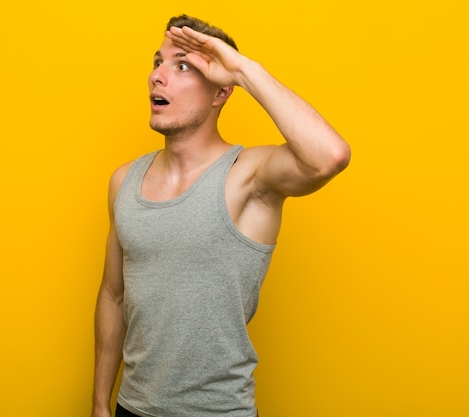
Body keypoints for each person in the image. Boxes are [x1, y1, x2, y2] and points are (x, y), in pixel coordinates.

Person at [91, 14, 350, 417]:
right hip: (130, 407)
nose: (158, 76)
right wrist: (100, 405)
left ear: (220, 93)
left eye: (182, 66)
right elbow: (112, 294)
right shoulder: (124, 180)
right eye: (157, 61)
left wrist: (243, 70)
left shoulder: (248, 177)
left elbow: (329, 156)